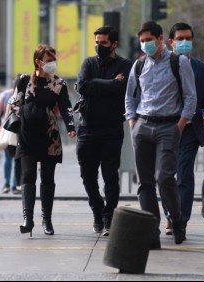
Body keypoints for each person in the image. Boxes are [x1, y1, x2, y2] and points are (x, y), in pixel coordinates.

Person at [125, 21, 197, 249]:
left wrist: (181, 125)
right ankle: (151, 232)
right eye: (142, 41)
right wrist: (133, 122)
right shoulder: (138, 65)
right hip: (142, 126)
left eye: (149, 40)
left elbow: (191, 97)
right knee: (144, 183)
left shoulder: (178, 62)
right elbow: (130, 97)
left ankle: (177, 220)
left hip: (169, 127)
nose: (146, 44)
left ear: (160, 39)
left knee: (164, 177)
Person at [9, 44, 77, 236]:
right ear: (38, 62)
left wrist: (71, 127)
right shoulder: (24, 80)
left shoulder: (59, 83)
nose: (52, 64)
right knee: (28, 175)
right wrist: (26, 112)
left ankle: (47, 219)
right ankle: (27, 219)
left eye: (54, 60)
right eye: (49, 60)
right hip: (28, 134)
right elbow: (14, 103)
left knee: (48, 177)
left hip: (50, 136)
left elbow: (66, 107)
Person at [75, 26, 133, 236]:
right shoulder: (89, 62)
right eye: (97, 42)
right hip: (87, 129)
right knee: (87, 176)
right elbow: (82, 86)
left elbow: (122, 88)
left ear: (114, 44)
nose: (99, 46)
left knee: (110, 177)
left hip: (112, 130)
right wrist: (109, 83)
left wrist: (97, 86)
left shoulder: (125, 65)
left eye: (104, 43)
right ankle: (97, 210)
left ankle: (108, 218)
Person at [162, 22, 204, 237]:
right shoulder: (162, 65)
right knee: (165, 176)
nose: (185, 42)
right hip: (166, 128)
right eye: (180, 38)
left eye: (188, 39)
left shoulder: (201, 68)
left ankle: (180, 221)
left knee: (184, 175)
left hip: (190, 130)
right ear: (171, 42)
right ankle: (169, 215)